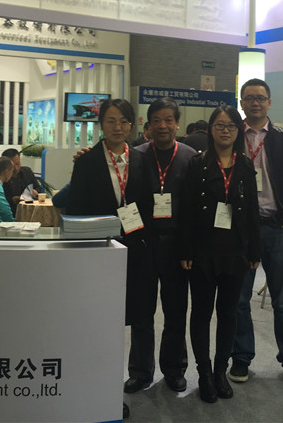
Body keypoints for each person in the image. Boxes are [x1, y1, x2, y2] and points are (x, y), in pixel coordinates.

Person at [65, 98, 148, 422]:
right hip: (99, 256)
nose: (118, 127)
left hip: (135, 255)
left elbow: (147, 205)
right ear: (101, 124)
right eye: (111, 121)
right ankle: (100, 387)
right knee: (101, 324)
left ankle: (129, 379)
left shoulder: (140, 159)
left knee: (131, 319)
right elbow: (75, 211)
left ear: (131, 125)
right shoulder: (86, 162)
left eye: (124, 121)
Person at [230, 78, 283, 387]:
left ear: (269, 103)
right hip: (241, 231)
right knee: (239, 299)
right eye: (249, 98)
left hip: (277, 227)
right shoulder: (233, 137)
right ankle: (241, 357)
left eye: (260, 98)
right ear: (241, 103)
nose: (255, 103)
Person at [179, 106, 260, 403]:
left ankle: (219, 371)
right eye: (220, 125)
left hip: (235, 252)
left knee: (228, 314)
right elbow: (187, 210)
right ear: (211, 129)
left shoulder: (245, 165)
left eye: (231, 126)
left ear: (238, 131)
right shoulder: (198, 164)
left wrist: (254, 250)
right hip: (203, 251)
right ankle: (203, 373)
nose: (225, 131)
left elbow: (252, 211)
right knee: (201, 313)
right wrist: (185, 249)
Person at [128, 97, 197, 394]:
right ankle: (140, 371)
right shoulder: (137, 156)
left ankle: (174, 368)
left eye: (169, 120)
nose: (163, 125)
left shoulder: (190, 157)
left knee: (175, 311)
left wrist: (189, 247)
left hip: (176, 245)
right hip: (144, 243)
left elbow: (194, 207)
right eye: (157, 120)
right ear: (149, 124)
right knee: (141, 312)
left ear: (177, 124)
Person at [1, 147, 42, 214]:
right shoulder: (2, 177)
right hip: (10, 211)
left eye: (18, 164)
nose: (16, 168)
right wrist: (12, 199)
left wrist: (36, 191)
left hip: (29, 210)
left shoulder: (27, 171)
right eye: (12, 166)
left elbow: (38, 188)